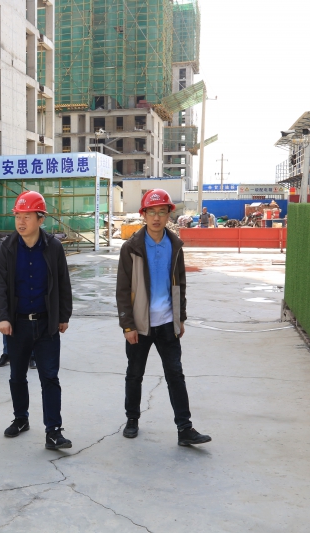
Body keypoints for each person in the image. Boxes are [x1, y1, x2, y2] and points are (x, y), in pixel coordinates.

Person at [116, 189, 211, 447]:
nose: (156, 218)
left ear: (169, 214)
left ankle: (185, 428)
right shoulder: (131, 248)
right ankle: (132, 419)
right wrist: (127, 325)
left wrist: (180, 317)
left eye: (161, 212)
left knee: (175, 375)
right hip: (140, 325)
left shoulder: (174, 245)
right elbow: (123, 290)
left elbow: (180, 283)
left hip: (168, 323)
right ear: (144, 215)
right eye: (151, 212)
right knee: (135, 374)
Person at [0, 191, 73, 450]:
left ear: (40, 219)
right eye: (18, 216)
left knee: (50, 377)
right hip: (17, 325)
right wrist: (3, 317)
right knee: (17, 376)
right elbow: (0, 285)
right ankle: (21, 419)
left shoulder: (53, 247)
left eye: (27, 216)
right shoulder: (7, 248)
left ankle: (53, 431)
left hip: (47, 323)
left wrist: (63, 315)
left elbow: (63, 282)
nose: (21, 221)